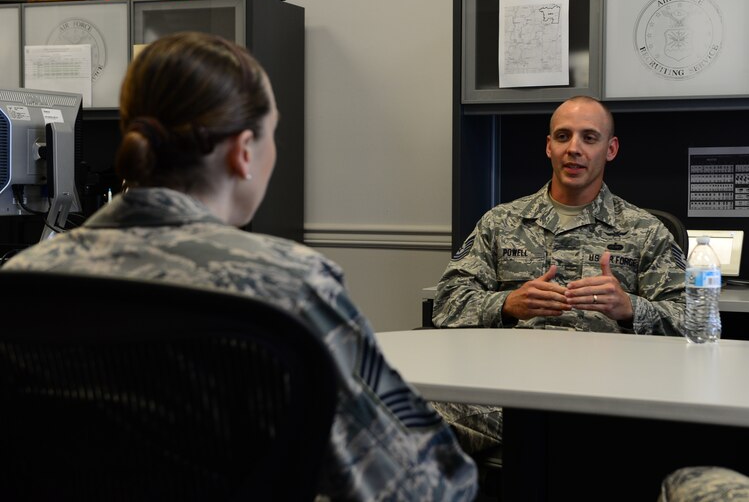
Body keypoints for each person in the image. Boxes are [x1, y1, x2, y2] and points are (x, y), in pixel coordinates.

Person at [2, 32, 478, 501]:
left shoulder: (21, 283)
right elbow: (422, 484)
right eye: (274, 133)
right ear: (244, 151)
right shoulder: (290, 286)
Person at [430, 95, 686, 455]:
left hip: (608, 400)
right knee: (403, 409)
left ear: (610, 149)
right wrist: (507, 303)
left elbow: (695, 322)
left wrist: (631, 308)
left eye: (589, 138)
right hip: (511, 398)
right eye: (563, 137)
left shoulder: (645, 231)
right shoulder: (501, 223)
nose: (574, 149)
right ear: (549, 147)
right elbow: (446, 303)